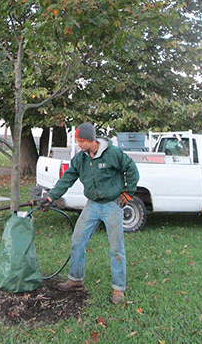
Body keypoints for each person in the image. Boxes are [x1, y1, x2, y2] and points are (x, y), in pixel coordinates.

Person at [40, 122, 139, 304]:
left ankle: (118, 289)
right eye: (78, 141)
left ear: (92, 140)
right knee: (77, 240)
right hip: (92, 205)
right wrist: (51, 197)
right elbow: (67, 178)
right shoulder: (80, 159)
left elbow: (131, 169)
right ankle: (76, 280)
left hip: (112, 205)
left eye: (82, 141)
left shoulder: (113, 154)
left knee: (116, 249)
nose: (80, 145)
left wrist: (128, 192)